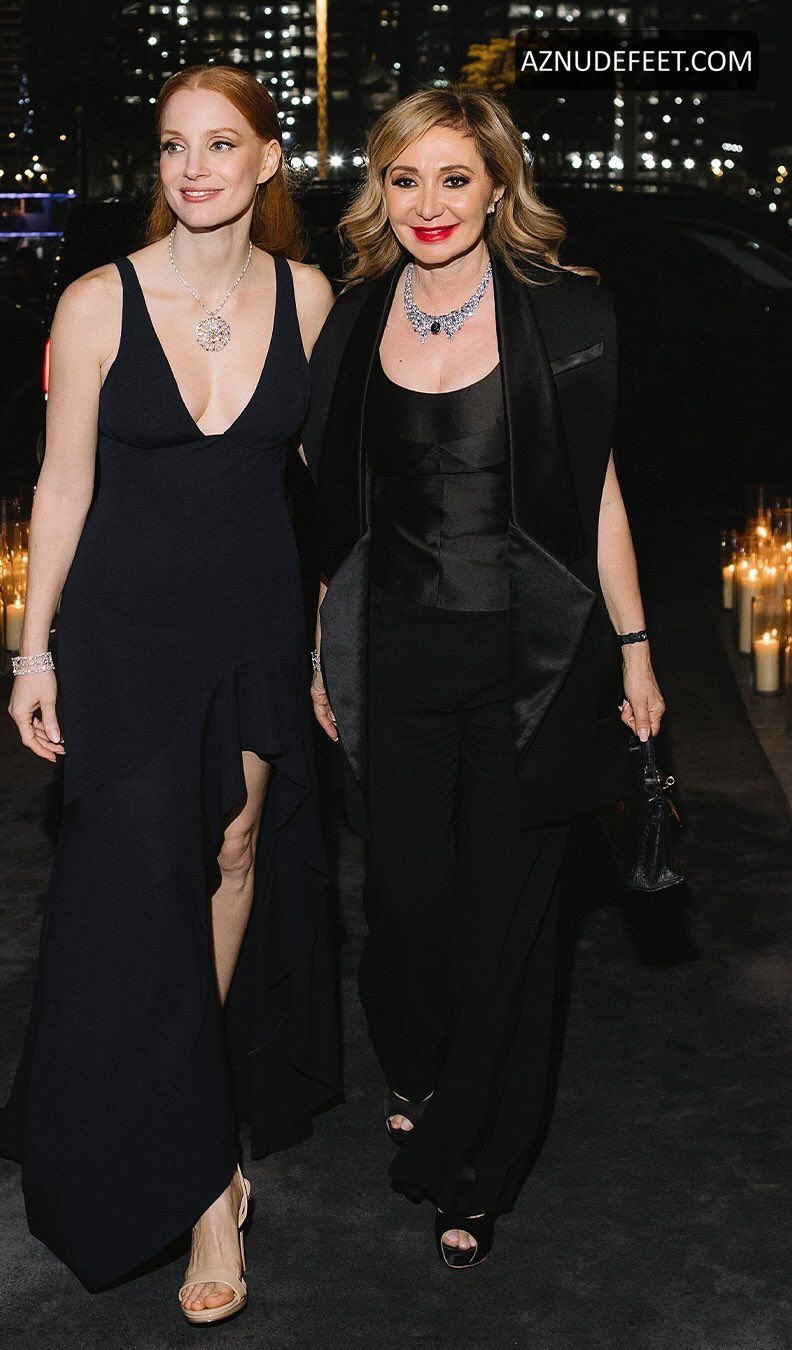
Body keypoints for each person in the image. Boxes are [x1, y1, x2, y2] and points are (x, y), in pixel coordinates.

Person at [0, 64, 339, 1323]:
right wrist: (33, 653)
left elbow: (332, 486)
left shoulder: (307, 297)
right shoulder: (96, 302)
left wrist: (327, 641)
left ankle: (203, 1154)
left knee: (235, 851)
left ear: (267, 160)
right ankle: (201, 1176)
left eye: (221, 144)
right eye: (175, 146)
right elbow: (62, 487)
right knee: (139, 876)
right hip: (124, 635)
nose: (194, 169)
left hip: (253, 622)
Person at [302, 86, 666, 1267]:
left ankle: (474, 1168)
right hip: (394, 656)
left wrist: (636, 648)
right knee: (406, 909)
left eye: (454, 178)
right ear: (380, 190)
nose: (429, 204)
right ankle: (419, 1064)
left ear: (498, 185)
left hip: (533, 662)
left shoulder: (568, 313)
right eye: (404, 178)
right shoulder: (355, 318)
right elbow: (335, 513)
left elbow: (598, 495)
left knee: (511, 923)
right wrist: (322, 647)